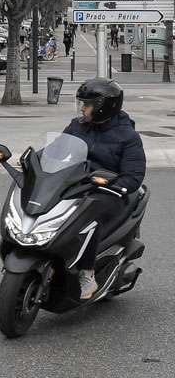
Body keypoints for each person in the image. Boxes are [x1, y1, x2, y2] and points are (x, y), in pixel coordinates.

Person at [62, 77, 146, 299]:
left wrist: (113, 185)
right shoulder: (77, 126)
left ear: (102, 107)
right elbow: (59, 150)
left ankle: (87, 274)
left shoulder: (127, 137)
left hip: (107, 192)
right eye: (81, 103)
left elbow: (133, 175)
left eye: (87, 105)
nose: (83, 109)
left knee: (88, 219)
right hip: (76, 185)